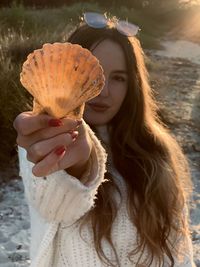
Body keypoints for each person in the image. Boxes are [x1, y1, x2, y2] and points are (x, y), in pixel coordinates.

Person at [13, 12, 195, 267]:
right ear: (65, 75)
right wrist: (78, 166)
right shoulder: (41, 142)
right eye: (91, 75)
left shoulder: (157, 151)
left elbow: (179, 251)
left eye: (119, 78)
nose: (104, 90)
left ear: (132, 86)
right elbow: (53, 205)